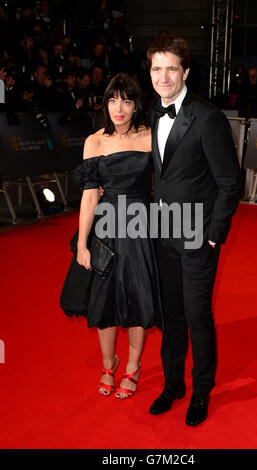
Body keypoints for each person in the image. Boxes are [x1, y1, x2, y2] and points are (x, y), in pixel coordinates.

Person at [147, 37, 242, 425]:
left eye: (171, 68)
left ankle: (201, 390)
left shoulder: (208, 118)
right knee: (170, 315)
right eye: (156, 68)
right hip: (161, 233)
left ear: (185, 72)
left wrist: (214, 233)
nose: (163, 76)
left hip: (198, 235)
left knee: (196, 314)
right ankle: (173, 385)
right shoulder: (152, 112)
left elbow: (230, 181)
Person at [60, 73, 163, 399]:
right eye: (113, 100)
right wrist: (81, 245)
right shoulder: (95, 142)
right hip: (105, 229)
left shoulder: (151, 138)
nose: (119, 108)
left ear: (136, 106)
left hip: (141, 229)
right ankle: (109, 364)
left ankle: (132, 368)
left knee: (137, 302)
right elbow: (89, 197)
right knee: (103, 304)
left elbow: (167, 184)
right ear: (105, 103)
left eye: (127, 101)